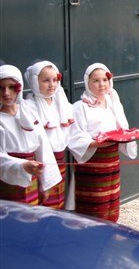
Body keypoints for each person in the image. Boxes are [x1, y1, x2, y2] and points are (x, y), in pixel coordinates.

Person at [68, 63, 137, 222]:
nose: (101, 84)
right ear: (87, 82)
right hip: (93, 162)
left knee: (111, 202)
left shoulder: (113, 102)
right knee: (95, 206)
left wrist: (126, 136)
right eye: (96, 80)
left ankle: (109, 234)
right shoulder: (80, 107)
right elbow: (75, 136)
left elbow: (122, 127)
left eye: (105, 80)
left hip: (112, 160)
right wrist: (95, 144)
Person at [0, 65, 61, 205]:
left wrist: (45, 184)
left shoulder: (29, 113)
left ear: (19, 88)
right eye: (1, 88)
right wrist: (21, 165)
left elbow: (43, 148)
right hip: (7, 179)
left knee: (32, 216)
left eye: (11, 87)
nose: (6, 93)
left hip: (32, 175)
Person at [24, 61, 75, 209]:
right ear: (34, 81)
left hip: (60, 159)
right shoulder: (30, 105)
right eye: (46, 80)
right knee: (44, 200)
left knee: (59, 197)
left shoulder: (61, 103)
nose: (52, 84)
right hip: (41, 161)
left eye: (55, 80)